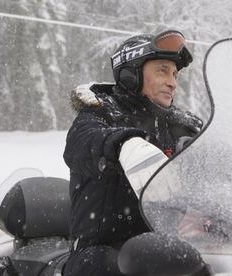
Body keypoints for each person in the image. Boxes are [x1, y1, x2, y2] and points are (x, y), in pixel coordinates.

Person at [63, 30, 206, 275]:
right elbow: (81, 144)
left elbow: (220, 157)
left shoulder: (179, 125)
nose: (172, 81)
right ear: (131, 74)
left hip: (163, 250)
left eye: (174, 73)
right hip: (98, 254)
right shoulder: (99, 114)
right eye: (162, 70)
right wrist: (124, 145)